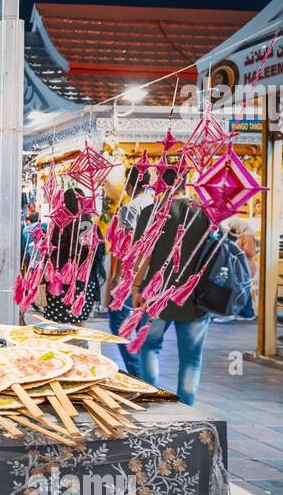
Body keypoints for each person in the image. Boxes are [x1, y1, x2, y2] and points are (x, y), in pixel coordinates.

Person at [134, 197, 213, 405]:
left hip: (156, 296)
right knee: (191, 360)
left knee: (150, 347)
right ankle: (186, 408)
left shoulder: (152, 212)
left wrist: (135, 287)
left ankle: (150, 400)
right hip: (195, 297)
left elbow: (144, 255)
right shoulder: (205, 212)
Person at [108, 165, 155, 374]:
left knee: (120, 322)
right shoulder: (156, 203)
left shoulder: (131, 208)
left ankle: (136, 372)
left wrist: (116, 277)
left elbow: (123, 245)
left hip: (131, 275)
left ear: (130, 183)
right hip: (151, 277)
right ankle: (143, 372)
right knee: (140, 324)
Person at [35, 189, 103, 326]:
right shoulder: (91, 228)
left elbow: (48, 255)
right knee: (79, 327)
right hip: (83, 286)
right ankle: (78, 347)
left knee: (54, 327)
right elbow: (99, 256)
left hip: (57, 286)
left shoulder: (55, 227)